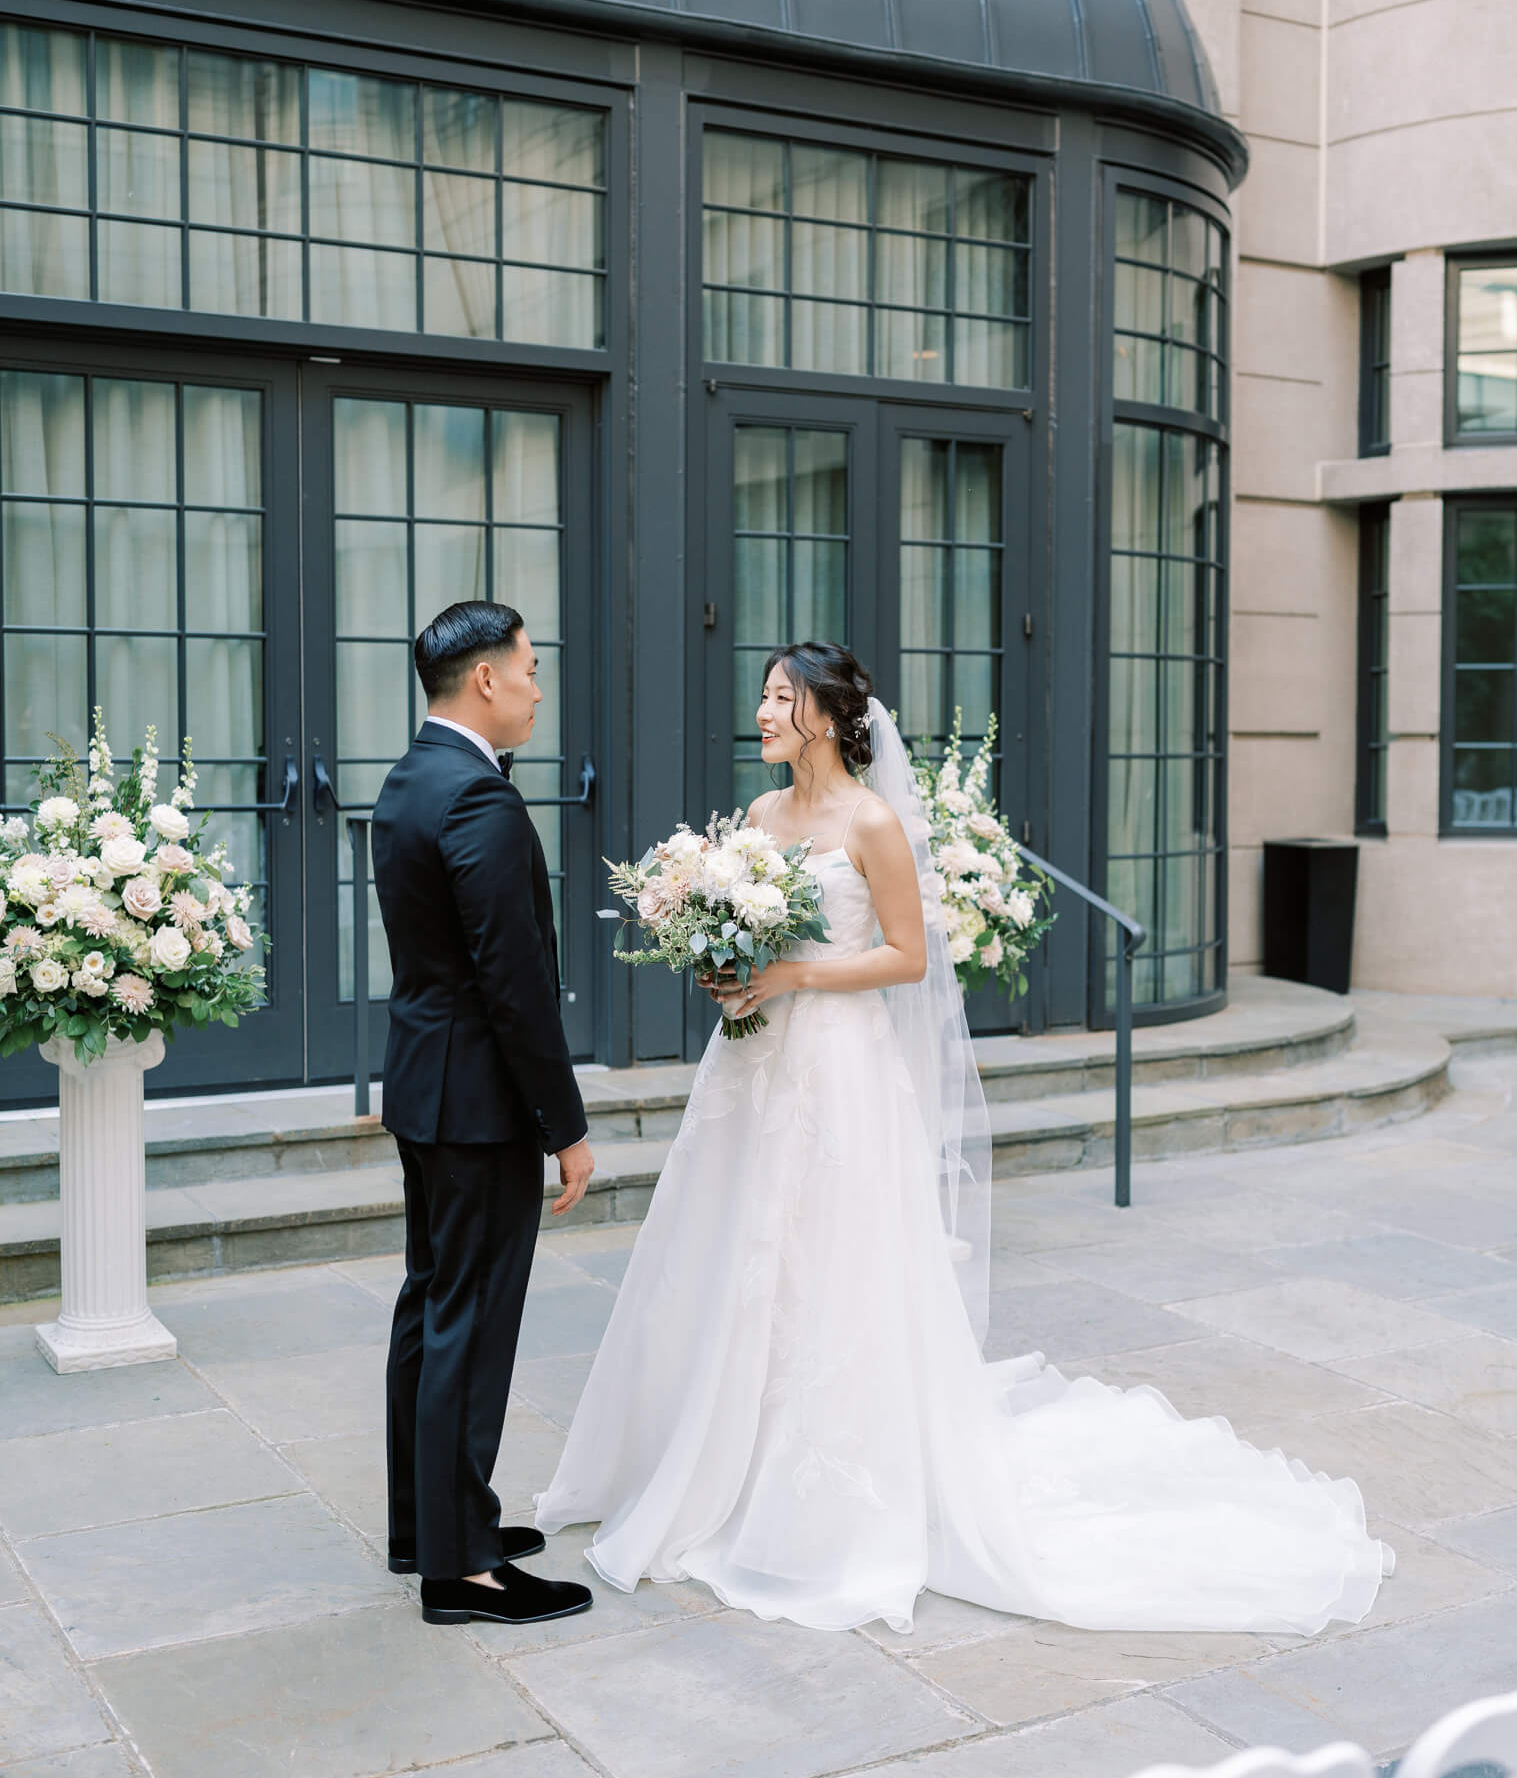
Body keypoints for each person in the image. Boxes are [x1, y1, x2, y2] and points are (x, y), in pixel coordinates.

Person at [535, 640, 1393, 1636]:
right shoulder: (763, 817)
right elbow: (764, 942)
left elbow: (904, 956)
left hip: (842, 1069)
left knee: (834, 1261)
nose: (760, 711)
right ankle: (717, 1454)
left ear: (824, 712)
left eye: (778, 696)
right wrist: (730, 966)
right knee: (739, 1247)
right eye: (763, 695)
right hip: (756, 1066)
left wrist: (797, 977)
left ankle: (822, 1487)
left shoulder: (874, 822)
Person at [372, 600, 596, 1628]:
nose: (539, 688)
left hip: (425, 1085)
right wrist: (564, 1123)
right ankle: (460, 1570)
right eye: (530, 669)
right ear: (485, 681)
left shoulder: (410, 777)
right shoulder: (480, 802)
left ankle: (429, 1524)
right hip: (477, 1102)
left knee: (429, 1303)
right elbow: (515, 986)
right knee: (470, 1317)